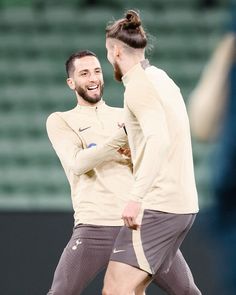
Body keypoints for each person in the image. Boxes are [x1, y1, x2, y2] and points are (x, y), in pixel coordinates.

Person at [46, 50, 201, 295]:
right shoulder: (60, 120)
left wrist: (126, 151)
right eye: (84, 73)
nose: (93, 78)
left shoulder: (125, 113)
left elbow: (148, 160)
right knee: (60, 292)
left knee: (187, 291)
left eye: (97, 71)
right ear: (71, 82)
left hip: (137, 226)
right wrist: (120, 140)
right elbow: (78, 163)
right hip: (93, 227)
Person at [103, 10, 201, 295]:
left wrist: (135, 198)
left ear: (117, 51)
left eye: (107, 52)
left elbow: (159, 140)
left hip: (158, 205)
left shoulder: (137, 88)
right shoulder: (161, 78)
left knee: (115, 288)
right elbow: (166, 129)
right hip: (180, 203)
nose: (108, 58)